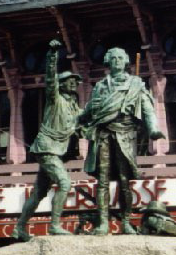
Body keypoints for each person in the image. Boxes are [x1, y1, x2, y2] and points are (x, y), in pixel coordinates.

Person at [78, 47, 165, 235]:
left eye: (120, 57)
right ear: (108, 62)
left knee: (124, 180)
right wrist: (79, 118)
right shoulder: (100, 86)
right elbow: (88, 112)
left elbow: (147, 108)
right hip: (103, 135)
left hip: (125, 135)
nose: (117, 60)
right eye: (113, 58)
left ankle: (126, 221)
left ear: (126, 61)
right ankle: (102, 223)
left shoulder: (136, 84)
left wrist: (153, 129)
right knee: (102, 180)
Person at [12, 39, 81, 240]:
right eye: (70, 80)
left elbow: (83, 121)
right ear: (63, 83)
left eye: (75, 81)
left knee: (39, 192)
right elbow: (50, 79)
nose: (74, 83)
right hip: (47, 148)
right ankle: (55, 225)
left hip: (55, 150)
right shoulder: (55, 98)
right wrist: (52, 56)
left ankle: (19, 227)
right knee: (65, 183)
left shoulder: (73, 106)